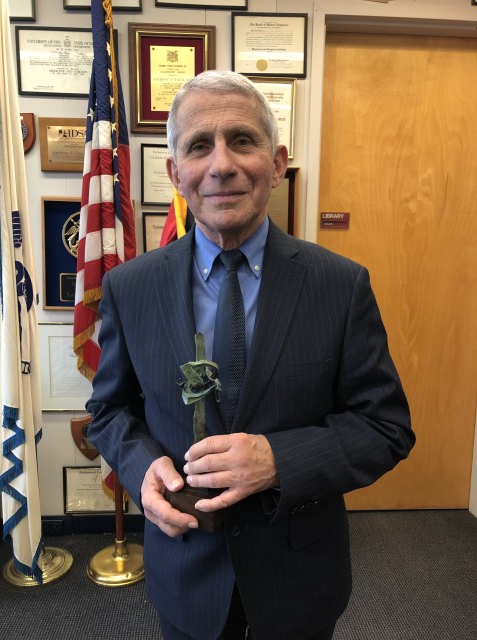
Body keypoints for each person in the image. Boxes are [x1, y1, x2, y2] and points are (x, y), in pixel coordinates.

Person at [86, 70, 415, 640]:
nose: (221, 165)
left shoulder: (340, 286)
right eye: (198, 146)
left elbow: (385, 427)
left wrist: (279, 460)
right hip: (184, 567)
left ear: (278, 160)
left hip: (299, 577)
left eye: (242, 140)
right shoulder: (130, 288)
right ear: (174, 174)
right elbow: (110, 412)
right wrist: (141, 471)